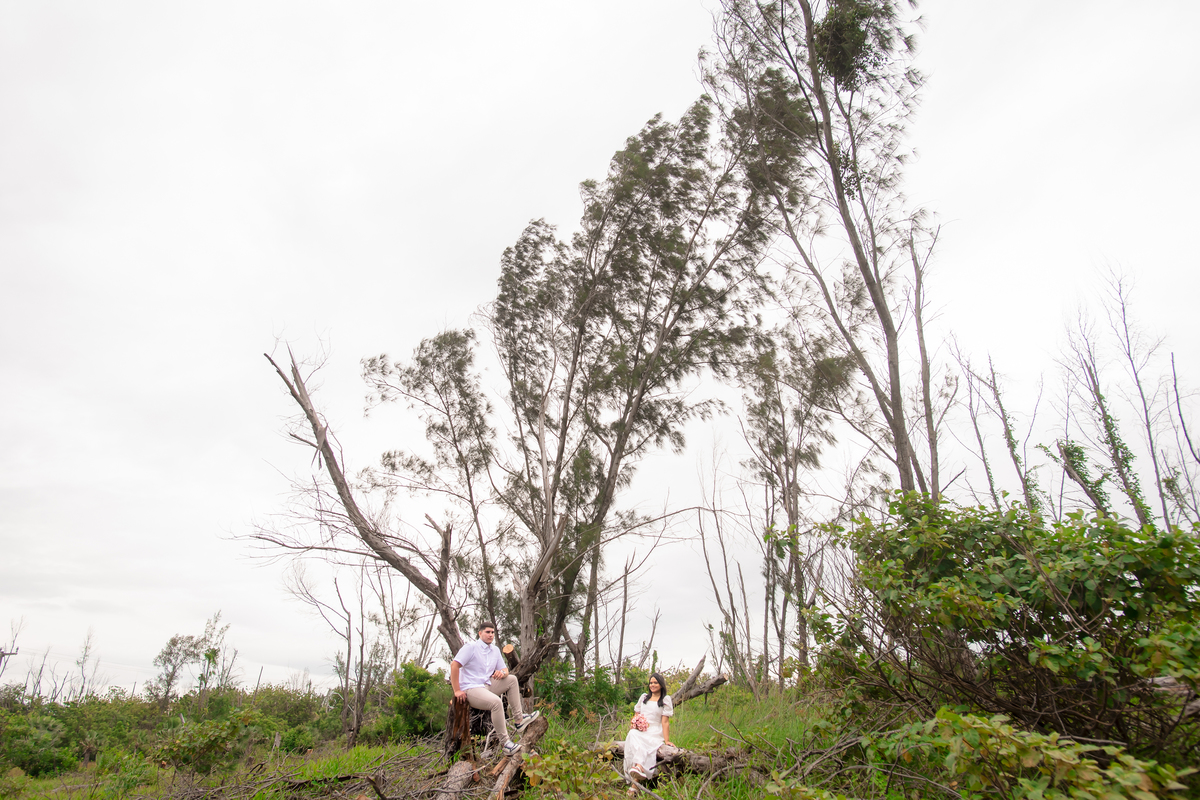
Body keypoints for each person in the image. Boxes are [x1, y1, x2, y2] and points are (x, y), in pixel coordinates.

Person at [449, 621, 539, 756]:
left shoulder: (495, 650)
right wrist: (457, 691)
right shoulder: (471, 647)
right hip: (471, 688)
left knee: (512, 680)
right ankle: (506, 743)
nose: (490, 635)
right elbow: (454, 665)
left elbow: (505, 670)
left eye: (492, 632)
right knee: (496, 703)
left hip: (486, 685)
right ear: (480, 633)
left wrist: (502, 673)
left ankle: (519, 720)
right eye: (487, 632)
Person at [623, 672, 673, 794]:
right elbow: (636, 715)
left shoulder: (665, 700)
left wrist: (667, 741)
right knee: (632, 734)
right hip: (642, 729)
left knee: (647, 746)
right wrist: (636, 724)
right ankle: (637, 770)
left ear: (661, 684)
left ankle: (636, 777)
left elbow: (665, 722)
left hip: (655, 731)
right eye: (651, 683)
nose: (652, 685)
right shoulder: (644, 697)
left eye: (655, 682)